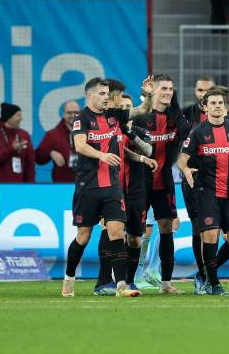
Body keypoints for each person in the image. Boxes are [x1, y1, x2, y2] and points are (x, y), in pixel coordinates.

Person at [61, 76, 154, 298]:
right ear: (89, 95)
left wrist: (149, 94)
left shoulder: (114, 115)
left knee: (116, 232)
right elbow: (80, 145)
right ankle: (69, 277)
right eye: (101, 94)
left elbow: (142, 109)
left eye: (107, 94)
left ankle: (121, 284)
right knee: (83, 237)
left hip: (112, 187)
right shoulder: (81, 118)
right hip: (88, 186)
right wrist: (103, 155)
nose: (106, 98)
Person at [178, 88, 229, 296]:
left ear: (225, 105)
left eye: (220, 102)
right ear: (205, 107)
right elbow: (181, 161)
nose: (217, 106)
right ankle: (214, 283)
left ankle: (203, 274)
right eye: (213, 103)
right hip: (207, 192)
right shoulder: (197, 132)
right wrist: (186, 170)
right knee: (210, 237)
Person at [93, 79, 157, 296]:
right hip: (110, 186)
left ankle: (128, 282)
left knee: (135, 238)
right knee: (109, 231)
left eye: (127, 108)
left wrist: (136, 145)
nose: (125, 109)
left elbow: (147, 150)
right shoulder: (103, 123)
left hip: (136, 189)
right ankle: (104, 281)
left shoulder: (136, 129)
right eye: (122, 104)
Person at [132, 74, 190, 294]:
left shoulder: (175, 118)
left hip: (164, 182)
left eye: (171, 89)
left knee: (166, 228)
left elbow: (189, 134)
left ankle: (165, 282)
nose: (168, 92)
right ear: (153, 90)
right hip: (140, 182)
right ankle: (128, 280)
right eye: (163, 88)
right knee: (135, 233)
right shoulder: (140, 116)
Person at [181, 77, 215, 293]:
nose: (203, 93)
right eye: (200, 89)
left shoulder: (224, 114)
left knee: (215, 230)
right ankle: (202, 276)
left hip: (216, 179)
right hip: (192, 178)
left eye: (208, 90)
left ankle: (213, 275)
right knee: (197, 228)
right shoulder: (187, 113)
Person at [35, 100, 80, 182]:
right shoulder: (53, 134)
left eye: (76, 112)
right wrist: (50, 153)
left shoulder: (89, 132)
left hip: (86, 186)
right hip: (62, 186)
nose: (73, 115)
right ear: (63, 114)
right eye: (69, 113)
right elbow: (38, 157)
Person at [0, 103, 35, 183]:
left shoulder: (24, 135)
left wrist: (31, 185)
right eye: (18, 115)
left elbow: (30, 164)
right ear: (9, 117)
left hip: (20, 186)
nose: (21, 118)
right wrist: (12, 149)